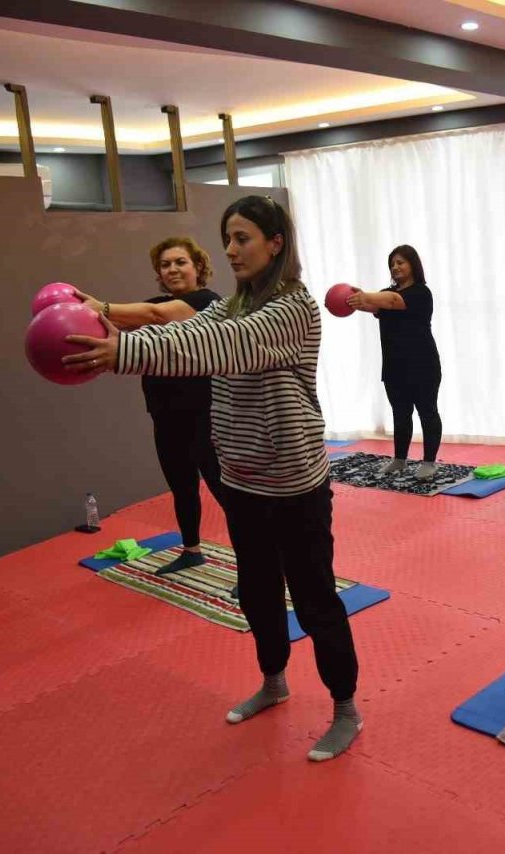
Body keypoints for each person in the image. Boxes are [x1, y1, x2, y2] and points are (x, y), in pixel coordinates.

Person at [64, 196, 362, 762]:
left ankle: (345, 708)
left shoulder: (292, 307)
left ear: (275, 243)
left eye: (242, 237)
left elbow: (216, 346)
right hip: (245, 478)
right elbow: (182, 330)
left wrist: (121, 351)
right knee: (255, 590)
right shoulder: (232, 304)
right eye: (227, 238)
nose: (230, 249)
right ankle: (275, 682)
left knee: (316, 597)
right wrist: (110, 321)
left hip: (295, 481)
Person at [74, 237, 222, 575]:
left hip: (205, 415)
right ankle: (192, 550)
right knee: (182, 487)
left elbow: (156, 315)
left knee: (225, 490)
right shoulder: (155, 304)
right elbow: (124, 324)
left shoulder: (207, 302)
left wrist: (102, 307)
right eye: (165, 264)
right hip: (165, 413)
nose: (172, 269)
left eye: (180, 262)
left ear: (198, 267)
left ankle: (257, 564)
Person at [346, 245, 443, 481]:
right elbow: (374, 305)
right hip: (394, 366)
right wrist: (354, 300)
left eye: (401, 262)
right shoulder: (385, 293)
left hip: (423, 365)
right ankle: (399, 460)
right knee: (400, 414)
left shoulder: (421, 293)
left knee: (427, 412)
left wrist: (366, 295)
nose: (395, 267)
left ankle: (429, 462)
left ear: (413, 265)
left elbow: (391, 301)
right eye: (392, 263)